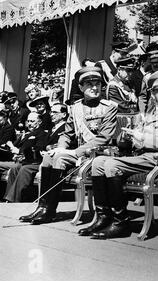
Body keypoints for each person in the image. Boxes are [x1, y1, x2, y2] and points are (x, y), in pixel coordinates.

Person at [77, 69, 158, 239]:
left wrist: (143, 138)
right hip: (143, 157)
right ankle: (103, 217)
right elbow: (137, 142)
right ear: (152, 94)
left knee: (111, 165)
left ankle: (120, 222)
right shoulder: (148, 116)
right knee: (98, 162)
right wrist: (128, 138)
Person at [19, 66, 118, 224]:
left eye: (97, 84)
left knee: (60, 160)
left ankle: (50, 209)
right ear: (80, 87)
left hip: (100, 155)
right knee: (49, 158)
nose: (94, 87)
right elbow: (67, 133)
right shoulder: (76, 108)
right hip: (79, 155)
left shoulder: (109, 108)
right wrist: (61, 148)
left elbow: (103, 138)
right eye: (89, 84)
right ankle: (43, 207)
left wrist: (75, 152)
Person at [4, 103, 68, 203]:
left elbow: (59, 145)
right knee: (15, 168)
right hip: (41, 159)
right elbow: (42, 145)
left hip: (52, 161)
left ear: (64, 114)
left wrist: (46, 148)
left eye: (55, 112)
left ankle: (13, 200)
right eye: (51, 112)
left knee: (25, 168)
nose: (51, 114)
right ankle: (10, 199)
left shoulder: (65, 128)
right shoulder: (52, 129)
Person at [0, 112, 49, 202]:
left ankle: (11, 199)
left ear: (40, 122)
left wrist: (18, 151)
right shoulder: (28, 134)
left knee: (18, 168)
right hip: (19, 159)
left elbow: (38, 149)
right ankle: (8, 198)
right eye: (28, 121)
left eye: (32, 121)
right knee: (13, 168)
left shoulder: (41, 133)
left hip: (31, 161)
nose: (29, 123)